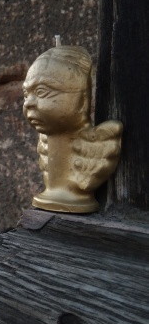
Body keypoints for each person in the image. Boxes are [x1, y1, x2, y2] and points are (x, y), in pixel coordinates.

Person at [22, 43, 122, 213]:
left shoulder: (98, 144)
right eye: (26, 94)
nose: (28, 103)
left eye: (41, 91)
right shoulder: (45, 136)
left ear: (82, 100)